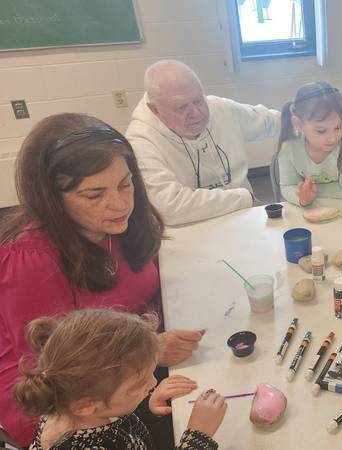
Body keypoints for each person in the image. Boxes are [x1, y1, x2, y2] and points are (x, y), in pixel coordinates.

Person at [0, 113, 204, 446]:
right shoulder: (32, 261)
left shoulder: (115, 224)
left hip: (131, 364)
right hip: (70, 404)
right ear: (53, 199)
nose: (120, 203)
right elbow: (63, 371)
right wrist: (150, 351)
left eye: (125, 183)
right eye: (94, 194)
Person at [15, 309, 227, 450]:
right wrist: (198, 437)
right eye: (140, 382)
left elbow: (117, 417)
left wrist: (147, 404)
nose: (153, 383)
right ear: (85, 406)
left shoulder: (72, 402)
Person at [126, 60, 281, 225]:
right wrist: (244, 198)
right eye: (181, 108)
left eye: (198, 100)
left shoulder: (220, 109)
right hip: (188, 228)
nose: (195, 113)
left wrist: (307, 119)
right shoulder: (140, 140)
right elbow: (168, 206)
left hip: (244, 216)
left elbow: (275, 121)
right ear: (154, 109)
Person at [276, 81, 342, 206]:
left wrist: (312, 193)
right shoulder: (289, 147)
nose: (332, 138)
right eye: (321, 131)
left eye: (338, 127)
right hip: (313, 207)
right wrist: (303, 199)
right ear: (298, 124)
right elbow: (287, 185)